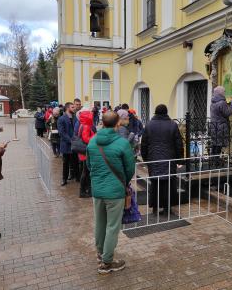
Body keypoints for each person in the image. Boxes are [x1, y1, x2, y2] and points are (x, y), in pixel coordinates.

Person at [87, 111, 135, 274]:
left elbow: (89, 166)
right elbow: (130, 169)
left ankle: (101, 254)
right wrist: (123, 183)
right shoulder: (122, 143)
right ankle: (107, 262)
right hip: (115, 191)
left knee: (100, 223)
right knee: (112, 226)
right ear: (117, 124)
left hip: (97, 189)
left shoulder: (92, 142)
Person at [141, 104, 184, 215]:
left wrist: (145, 158)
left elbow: (144, 143)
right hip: (169, 158)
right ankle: (167, 208)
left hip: (153, 158)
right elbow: (179, 144)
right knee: (168, 184)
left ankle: (155, 207)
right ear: (166, 112)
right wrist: (180, 159)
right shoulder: (172, 125)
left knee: (155, 183)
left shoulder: (149, 125)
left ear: (155, 112)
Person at [209, 86, 232, 155]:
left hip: (214, 126)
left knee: (215, 144)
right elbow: (227, 113)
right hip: (221, 127)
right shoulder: (222, 103)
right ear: (220, 93)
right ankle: (216, 162)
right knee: (219, 145)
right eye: (224, 91)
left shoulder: (213, 102)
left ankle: (212, 161)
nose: (225, 93)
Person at [77, 109, 96, 197]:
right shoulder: (86, 126)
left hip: (84, 152)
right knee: (85, 172)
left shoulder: (83, 125)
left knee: (86, 172)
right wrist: (95, 137)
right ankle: (82, 191)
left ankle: (86, 190)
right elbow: (86, 139)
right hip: (85, 153)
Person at [58, 102, 75, 186]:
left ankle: (73, 175)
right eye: (72, 107)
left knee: (74, 161)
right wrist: (71, 140)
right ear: (68, 108)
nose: (74, 108)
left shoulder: (75, 117)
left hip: (75, 144)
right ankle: (64, 179)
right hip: (66, 145)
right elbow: (62, 132)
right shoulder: (61, 119)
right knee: (65, 163)